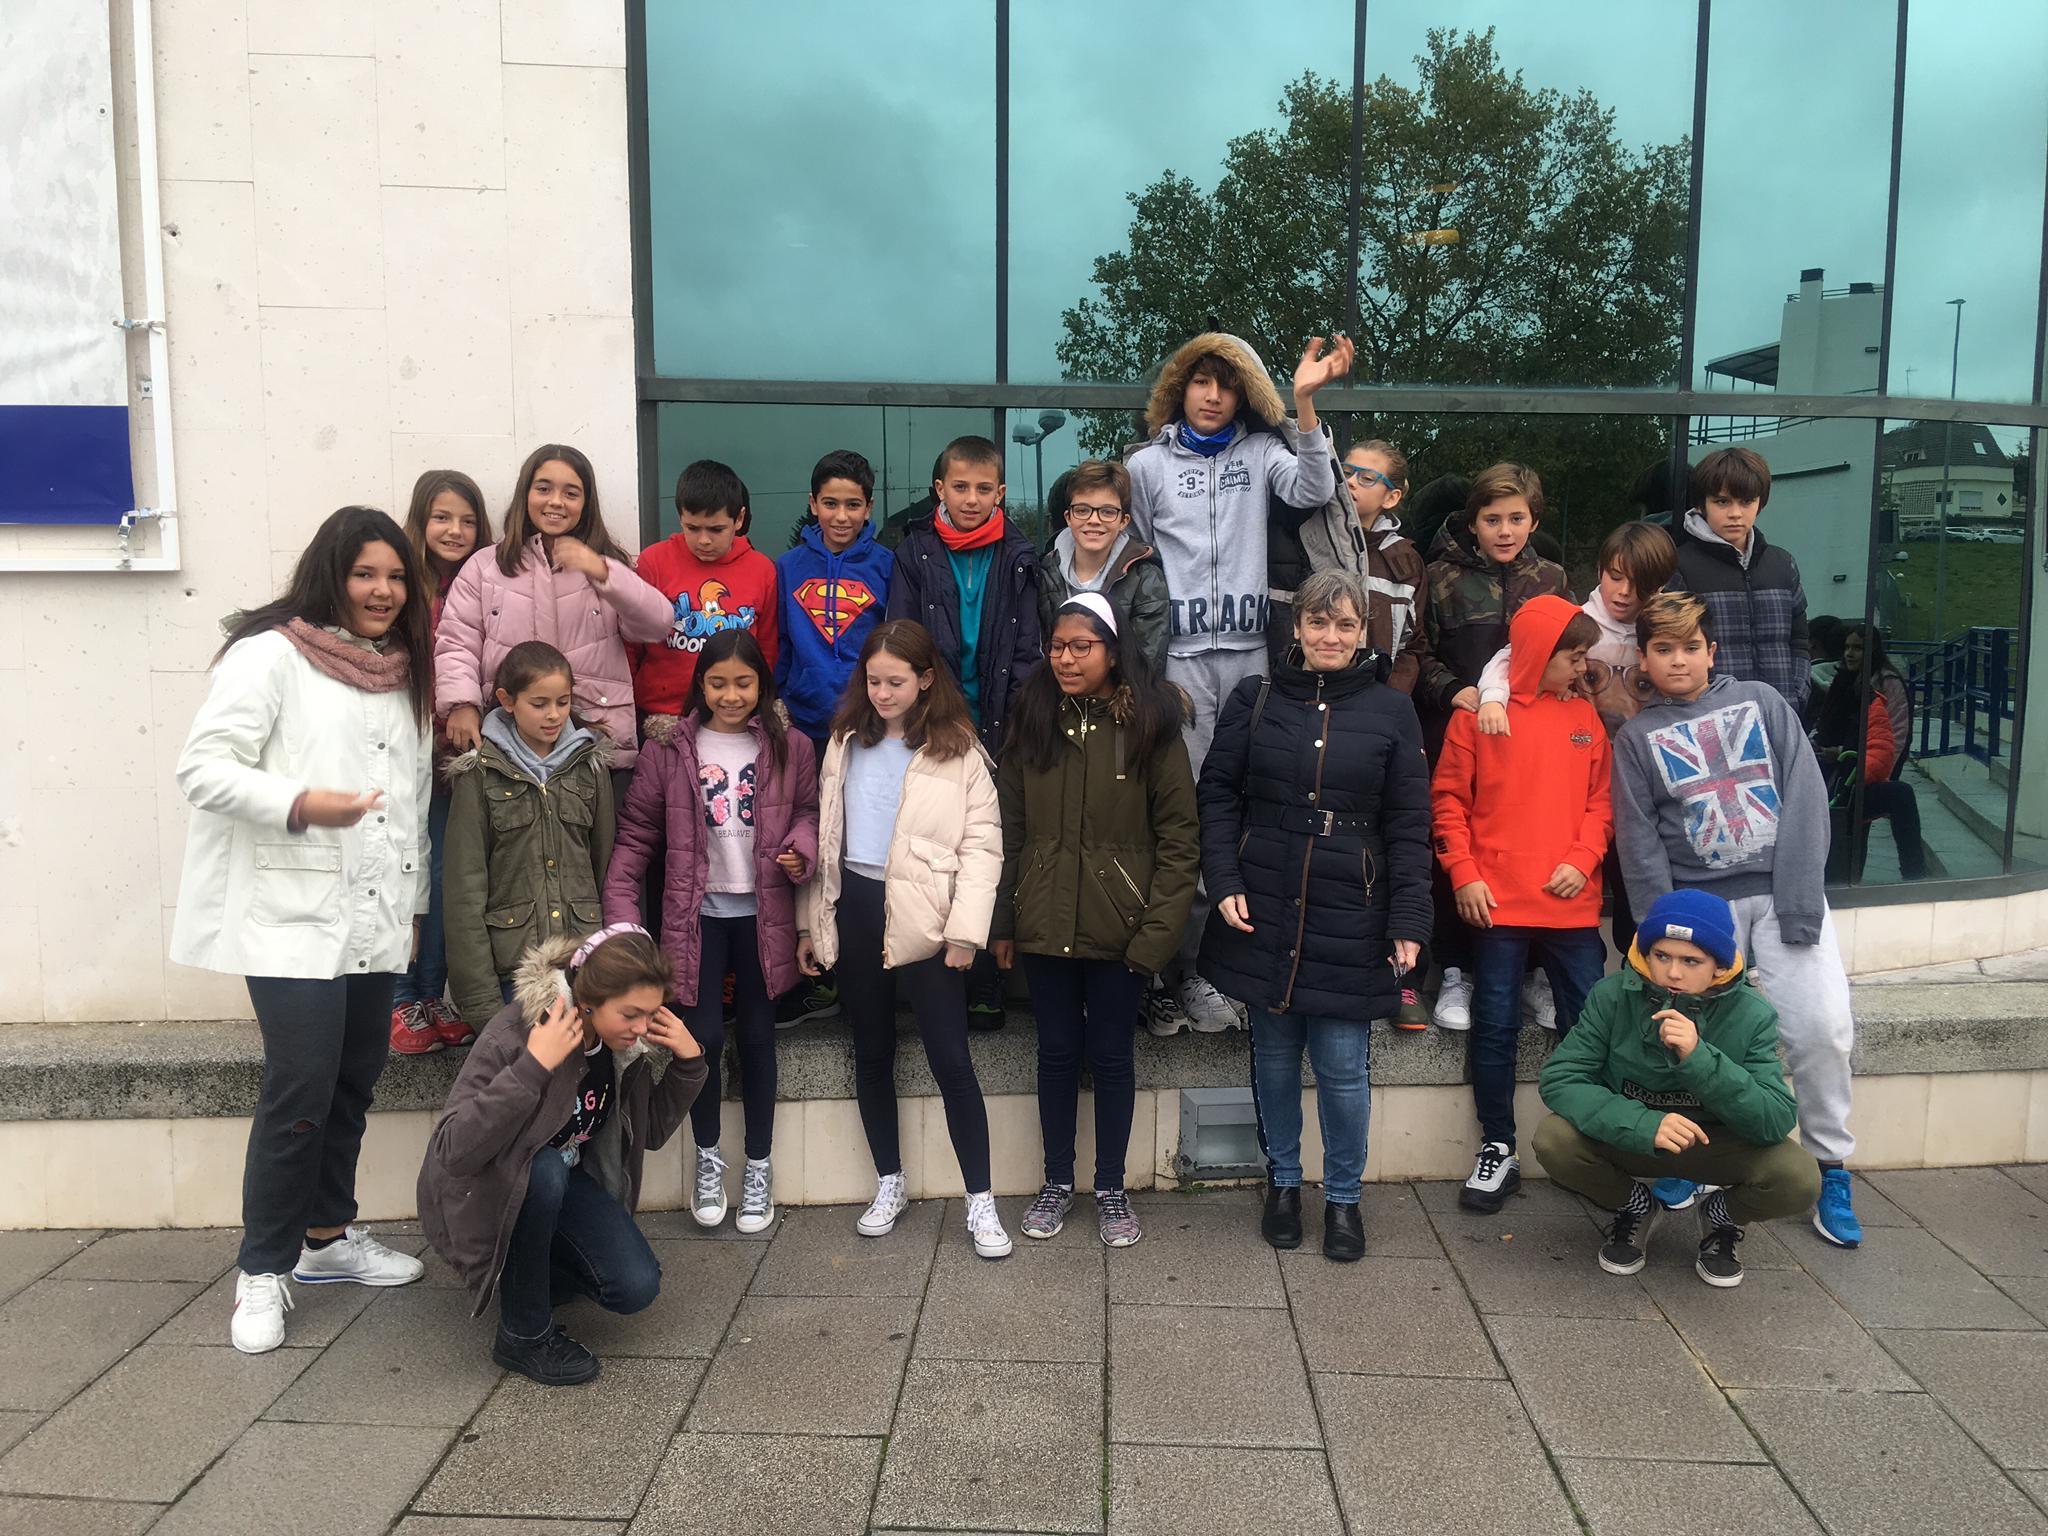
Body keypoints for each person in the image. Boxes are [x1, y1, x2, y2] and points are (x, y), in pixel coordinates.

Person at [170, 505, 432, 1354]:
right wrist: (301, 803)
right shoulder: (270, 654)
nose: (383, 591)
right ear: (331, 574)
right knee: (301, 1089)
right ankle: (262, 1268)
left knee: (354, 1079)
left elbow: (414, 802)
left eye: (395, 576)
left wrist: (414, 909)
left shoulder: (403, 671)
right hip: (290, 918)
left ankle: (326, 1240)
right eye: (365, 574)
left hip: (374, 914)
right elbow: (203, 769)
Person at [1195, 570, 1434, 1261]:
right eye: (1319, 622)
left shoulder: (1392, 710)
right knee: (1273, 1055)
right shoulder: (1256, 697)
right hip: (1264, 897)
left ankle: (1344, 1198)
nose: (1332, 636)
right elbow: (1218, 794)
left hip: (1352, 907)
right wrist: (1224, 876)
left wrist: (1409, 918)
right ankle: (1282, 1183)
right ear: (1297, 627)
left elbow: (1409, 822)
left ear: (1363, 632)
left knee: (1342, 1064)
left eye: (1346, 624)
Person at [1612, 592, 1861, 1247]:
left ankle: (1830, 1164)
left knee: (1823, 1029)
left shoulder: (1763, 702)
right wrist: (1662, 934)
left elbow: (1806, 798)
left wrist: (1801, 900)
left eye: (1691, 647)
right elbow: (1638, 841)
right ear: (1643, 658)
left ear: (1712, 651)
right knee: (1689, 1038)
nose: (1679, 660)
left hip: (1783, 897)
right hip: (1699, 912)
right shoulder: (1634, 739)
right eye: (1663, 649)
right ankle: (1691, 1158)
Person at [1124, 330, 1352, 1036]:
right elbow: (1135, 557)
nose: (1213, 395)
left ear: (1244, 395)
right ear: (1180, 389)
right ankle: (1178, 972)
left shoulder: (1260, 453)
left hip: (1253, 658)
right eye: (1201, 381)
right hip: (1181, 665)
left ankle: (1228, 967)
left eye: (1227, 385)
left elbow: (1315, 487)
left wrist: (1303, 402)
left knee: (1250, 810)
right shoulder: (1145, 466)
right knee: (1184, 815)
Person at [796, 621, 1011, 1259]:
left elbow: (982, 850)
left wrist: (966, 934)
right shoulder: (844, 741)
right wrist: (813, 922)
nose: (883, 693)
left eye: (896, 681)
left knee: (951, 1058)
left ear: (926, 679)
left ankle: (981, 1200)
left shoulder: (959, 750)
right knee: (871, 1050)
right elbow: (827, 839)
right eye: (873, 681)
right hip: (858, 906)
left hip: (929, 918)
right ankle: (889, 1181)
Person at [992, 594, 1200, 1248]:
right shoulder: (1033, 719)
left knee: (1111, 1057)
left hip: (1124, 932)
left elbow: (1180, 841)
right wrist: (1004, 921)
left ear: (1113, 652)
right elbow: (1009, 830)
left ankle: (1110, 1187)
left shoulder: (1150, 726)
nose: (1066, 658)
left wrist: (1155, 939)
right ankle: (1058, 1181)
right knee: (1055, 1053)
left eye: (1081, 646)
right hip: (1044, 922)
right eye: (1057, 646)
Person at [416, 925, 708, 1386]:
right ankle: (523, 1335)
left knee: (634, 1287)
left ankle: (525, 1270)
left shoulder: (621, 1050)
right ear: (588, 1000)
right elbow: (452, 1151)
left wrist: (689, 1063)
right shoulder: (518, 1032)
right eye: (631, 1014)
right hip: (484, 1191)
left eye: (651, 1013)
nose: (641, 1028)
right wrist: (533, 1067)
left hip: (557, 1184)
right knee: (546, 1168)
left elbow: (649, 1132)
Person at [603, 629, 818, 1235]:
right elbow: (637, 836)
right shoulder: (670, 749)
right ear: (700, 684)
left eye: (743, 683)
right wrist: (622, 920)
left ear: (761, 685)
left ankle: (759, 1165)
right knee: (700, 1040)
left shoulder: (792, 746)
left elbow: (810, 813)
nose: (730, 695)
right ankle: (707, 1158)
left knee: (757, 1038)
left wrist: (801, 849)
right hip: (694, 917)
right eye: (718, 683)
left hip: (764, 914)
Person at [1533, 889, 1822, 1289]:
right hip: (1633, 1137)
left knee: (1798, 1177)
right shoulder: (1612, 996)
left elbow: (1774, 1119)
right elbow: (1562, 1078)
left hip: (1715, 1143)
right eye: (1661, 956)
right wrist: (1643, 1123)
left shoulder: (1752, 1013)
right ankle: (1635, 1206)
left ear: (1719, 965)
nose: (1672, 973)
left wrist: (1700, 1058)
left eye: (1691, 961)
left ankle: (1721, 1216)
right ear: (1646, 953)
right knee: (1554, 1139)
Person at [1432, 595, 1613, 1213]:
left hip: (1571, 901)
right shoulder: (1478, 718)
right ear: (1538, 654)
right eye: (1573, 656)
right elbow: (1447, 803)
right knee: (1494, 1027)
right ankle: (1498, 1147)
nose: (1582, 668)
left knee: (1590, 1025)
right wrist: (1463, 873)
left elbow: (1602, 803)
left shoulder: (1584, 715)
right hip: (1497, 902)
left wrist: (1582, 859)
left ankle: (1594, 1144)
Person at [887, 434, 1044, 1027]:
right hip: (937, 723)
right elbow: (904, 639)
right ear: (940, 489)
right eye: (960, 487)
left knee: (990, 850)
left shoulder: (1020, 553)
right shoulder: (915, 552)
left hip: (1001, 724)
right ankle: (933, 975)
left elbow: (1028, 648)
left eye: (983, 489)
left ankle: (985, 979)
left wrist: (1019, 722)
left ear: (1000, 492)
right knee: (938, 850)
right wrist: (928, 717)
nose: (971, 499)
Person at [1475, 519, 1678, 956]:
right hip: (1578, 775)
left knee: (1638, 883)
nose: (1623, 592)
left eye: (1639, 584)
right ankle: (1553, 970)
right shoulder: (1578, 621)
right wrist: (1492, 697)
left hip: (1643, 781)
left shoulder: (1662, 632)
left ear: (1659, 586)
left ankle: (1645, 966)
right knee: (1570, 872)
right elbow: (1511, 657)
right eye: (1615, 576)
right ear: (1600, 569)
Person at [1416, 463, 1572, 1032]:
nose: (1505, 531)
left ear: (1534, 521)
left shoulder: (1551, 578)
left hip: (1532, 745)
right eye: (1492, 519)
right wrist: (1452, 690)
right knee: (1459, 848)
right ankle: (1456, 970)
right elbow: (1417, 650)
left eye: (1516, 518)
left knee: (1533, 845)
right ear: (1472, 522)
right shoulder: (1439, 577)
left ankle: (1533, 972)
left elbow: (1568, 652)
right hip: (1461, 732)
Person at [434, 443, 672, 791]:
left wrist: (603, 571)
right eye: (543, 488)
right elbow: (457, 642)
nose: (556, 502)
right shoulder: (485, 566)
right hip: (509, 745)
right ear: (526, 494)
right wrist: (461, 703)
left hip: (595, 742)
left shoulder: (606, 565)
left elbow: (657, 623)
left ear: (586, 503)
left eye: (571, 493)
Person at [775, 449, 892, 1028]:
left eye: (852, 504)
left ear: (869, 507)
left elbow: (896, 644)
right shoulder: (787, 568)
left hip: (866, 732)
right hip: (804, 729)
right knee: (812, 851)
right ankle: (818, 971)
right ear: (812, 503)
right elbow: (777, 645)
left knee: (861, 853)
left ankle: (872, 972)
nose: (840, 516)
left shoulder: (887, 565)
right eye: (829, 503)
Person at [443, 641, 616, 1030]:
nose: (553, 715)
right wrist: (481, 1002)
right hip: (515, 970)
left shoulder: (590, 766)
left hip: (582, 965)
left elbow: (605, 865)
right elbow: (464, 889)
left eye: (563, 702)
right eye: (539, 704)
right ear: (507, 700)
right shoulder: (479, 773)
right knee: (524, 1067)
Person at [391, 468, 494, 1054]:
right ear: (419, 520)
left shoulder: (486, 582)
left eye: (467, 520)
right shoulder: (402, 584)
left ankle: (432, 995)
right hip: (409, 753)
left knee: (448, 879)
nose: (455, 530)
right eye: (441, 517)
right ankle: (400, 997)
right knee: (409, 873)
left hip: (461, 757)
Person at [1269, 438, 1428, 695]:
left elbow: (1413, 643)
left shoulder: (1405, 559)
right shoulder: (1304, 540)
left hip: (1375, 702)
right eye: (1346, 473)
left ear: (1391, 497)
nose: (1351, 482)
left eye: (1367, 478)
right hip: (1307, 697)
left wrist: (1391, 698)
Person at [630, 459, 780, 719]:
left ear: (739, 519)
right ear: (680, 517)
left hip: (733, 715)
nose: (704, 540)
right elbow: (632, 643)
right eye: (692, 528)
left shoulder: (762, 570)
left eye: (716, 529)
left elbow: (766, 650)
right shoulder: (653, 562)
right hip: (661, 715)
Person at [1668, 446, 1811, 714]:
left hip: (1781, 715)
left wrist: (1797, 693)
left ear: (1760, 502)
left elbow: (1800, 640)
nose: (1735, 513)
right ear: (1701, 504)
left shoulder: (1782, 564)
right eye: (1722, 502)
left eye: (1746, 501)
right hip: (1713, 721)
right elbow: (1671, 650)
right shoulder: (1679, 566)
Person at [1814, 623, 1927, 881]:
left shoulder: (1886, 684)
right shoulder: (1842, 681)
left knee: (1874, 815)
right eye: (1847, 647)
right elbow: (1826, 727)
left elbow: (1895, 736)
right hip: (1838, 775)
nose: (1850, 653)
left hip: (1867, 770)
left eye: (1858, 648)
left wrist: (1862, 764)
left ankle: (1912, 875)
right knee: (1852, 837)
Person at [1035, 459, 1170, 674]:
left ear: (1124, 521)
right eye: (1082, 510)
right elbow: (1037, 654)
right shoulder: (1043, 573)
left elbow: (1146, 665)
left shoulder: (1146, 578)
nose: (1094, 520)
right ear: (1068, 517)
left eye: (1107, 512)